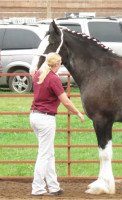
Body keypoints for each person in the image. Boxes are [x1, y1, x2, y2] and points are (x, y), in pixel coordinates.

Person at [29, 52, 84, 196]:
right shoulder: (53, 78)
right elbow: (65, 101)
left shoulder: (39, 74)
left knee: (48, 153)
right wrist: (78, 112)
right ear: (57, 64)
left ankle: (53, 187)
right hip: (46, 119)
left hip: (35, 116)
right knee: (44, 154)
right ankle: (38, 188)